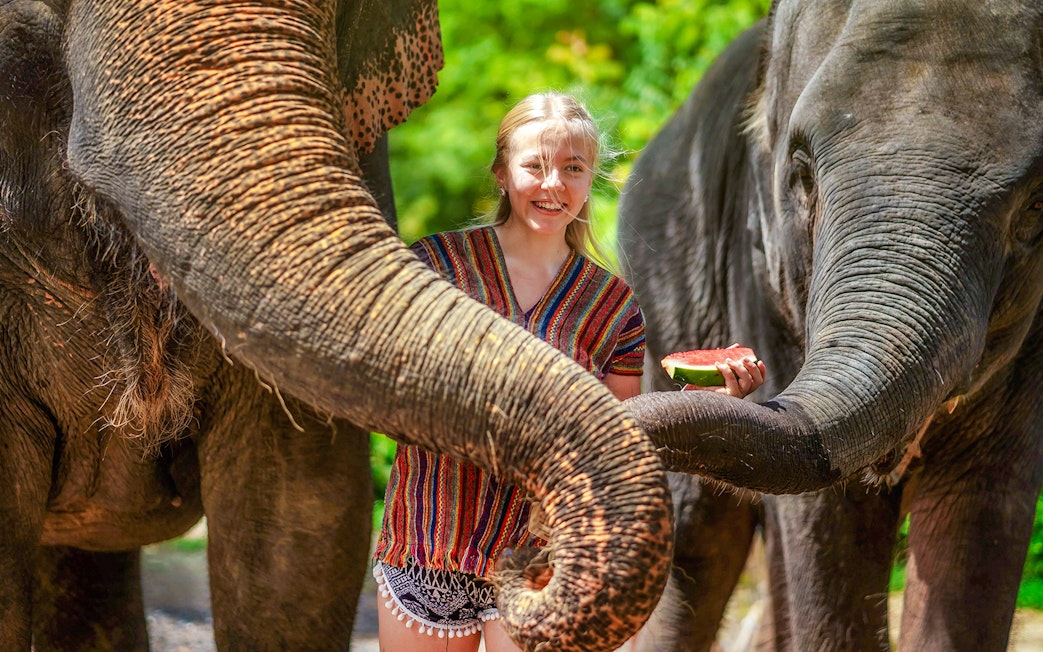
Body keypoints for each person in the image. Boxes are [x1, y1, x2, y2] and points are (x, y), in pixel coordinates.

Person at [372, 92, 764, 652]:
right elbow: (385, 393)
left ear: (590, 180)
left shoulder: (615, 307)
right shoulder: (436, 265)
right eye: (535, 165)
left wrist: (710, 409)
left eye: (573, 168)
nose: (554, 184)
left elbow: (612, 439)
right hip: (432, 536)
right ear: (502, 173)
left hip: (543, 556)